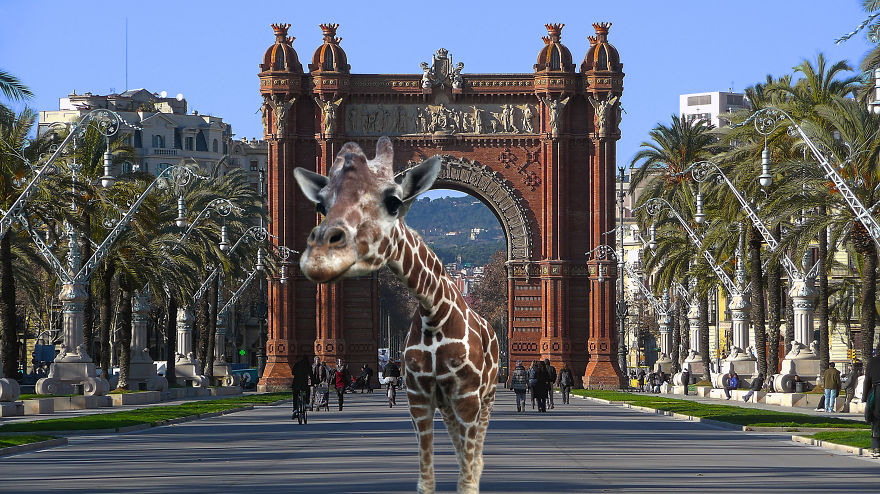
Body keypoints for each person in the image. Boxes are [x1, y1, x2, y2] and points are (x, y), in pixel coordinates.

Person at [862, 353, 880, 457]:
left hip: (877, 392)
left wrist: (865, 397)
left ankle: (876, 447)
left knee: (876, 418)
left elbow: (867, 380)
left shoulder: (873, 361)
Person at [291, 354, 314, 420]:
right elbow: (311, 375)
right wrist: (312, 383)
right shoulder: (308, 365)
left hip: (296, 383)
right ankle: (306, 403)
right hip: (304, 384)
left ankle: (295, 409)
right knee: (308, 390)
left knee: (295, 396)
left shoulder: (297, 364)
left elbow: (292, 372)